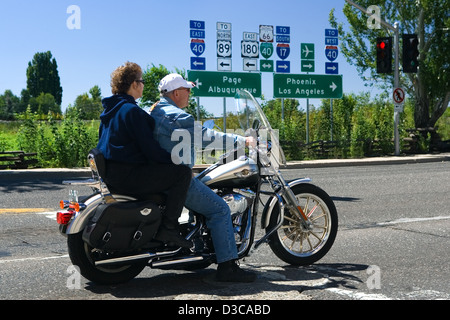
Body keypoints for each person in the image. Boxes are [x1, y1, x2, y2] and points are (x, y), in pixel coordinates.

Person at [147, 73, 256, 282]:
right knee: (220, 209)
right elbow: (207, 137)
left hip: (160, 175)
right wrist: (243, 141)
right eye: (187, 90)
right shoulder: (176, 117)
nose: (190, 94)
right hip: (176, 180)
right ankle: (228, 267)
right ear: (176, 93)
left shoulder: (155, 110)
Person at [96, 63, 192, 248]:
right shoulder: (132, 112)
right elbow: (150, 150)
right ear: (134, 84)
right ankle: (169, 229)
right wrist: (174, 161)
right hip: (128, 176)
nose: (143, 85)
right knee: (181, 174)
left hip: (111, 175)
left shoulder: (109, 111)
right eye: (142, 81)